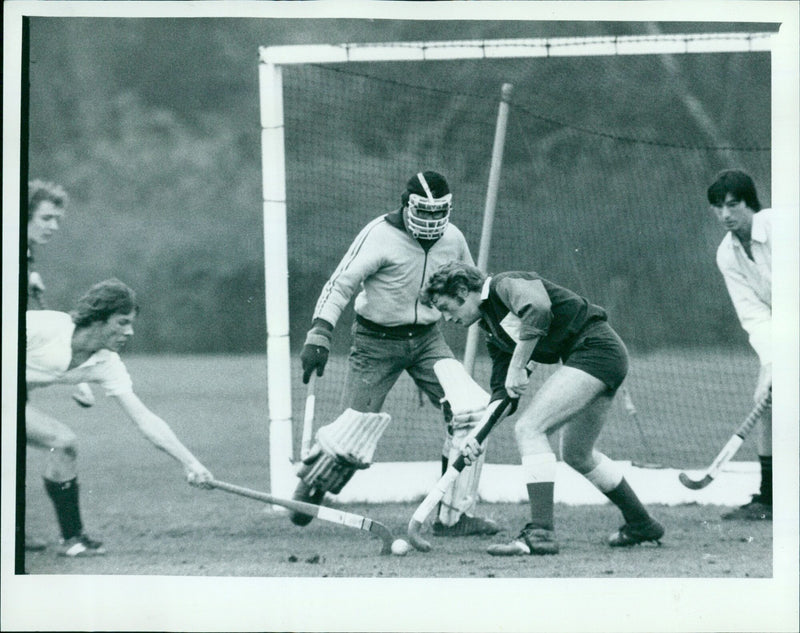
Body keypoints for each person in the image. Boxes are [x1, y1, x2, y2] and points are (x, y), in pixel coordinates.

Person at [294, 171, 499, 536]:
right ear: (406, 205)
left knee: (472, 413)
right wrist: (320, 333)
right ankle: (314, 483)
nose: (433, 222)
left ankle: (453, 517)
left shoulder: (453, 239)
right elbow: (341, 284)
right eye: (425, 211)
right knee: (354, 430)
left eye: (440, 213)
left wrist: (497, 330)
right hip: (375, 342)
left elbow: (473, 287)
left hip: (428, 341)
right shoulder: (378, 234)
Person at [420, 261, 664, 555]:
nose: (446, 318)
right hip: (593, 357)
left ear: (462, 290)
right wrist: (478, 435)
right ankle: (642, 523)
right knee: (577, 454)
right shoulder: (492, 328)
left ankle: (541, 533)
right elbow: (504, 395)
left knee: (530, 429)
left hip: (596, 349)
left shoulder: (504, 285)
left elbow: (538, 308)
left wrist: (518, 364)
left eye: (447, 308)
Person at [26, 278, 214, 556]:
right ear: (98, 319)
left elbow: (145, 420)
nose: (130, 332)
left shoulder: (106, 364)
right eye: (122, 322)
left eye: (131, 323)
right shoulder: (44, 327)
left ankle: (73, 540)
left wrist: (191, 463)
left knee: (63, 444)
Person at [707, 169, 772, 521]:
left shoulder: (780, 227)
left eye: (733, 205)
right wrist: (774, 363)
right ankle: (770, 498)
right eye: (718, 207)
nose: (725, 214)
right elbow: (754, 316)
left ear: (750, 203)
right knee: (768, 400)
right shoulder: (727, 255)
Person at [27, 180, 96, 409]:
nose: (54, 226)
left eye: (57, 219)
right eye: (46, 218)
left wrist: (31, 275)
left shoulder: (26, 248)